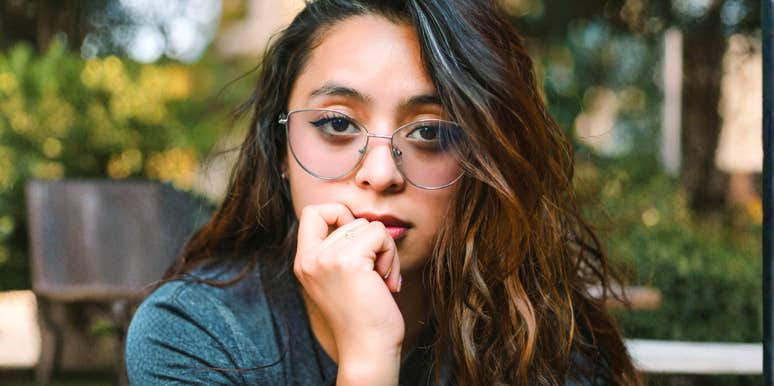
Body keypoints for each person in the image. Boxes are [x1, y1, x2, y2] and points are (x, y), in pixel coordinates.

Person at [125, 0, 642, 384]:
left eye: (430, 132)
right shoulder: (195, 334)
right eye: (336, 123)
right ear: (280, 149)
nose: (380, 173)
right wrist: (369, 353)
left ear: (484, 159)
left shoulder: (542, 338)